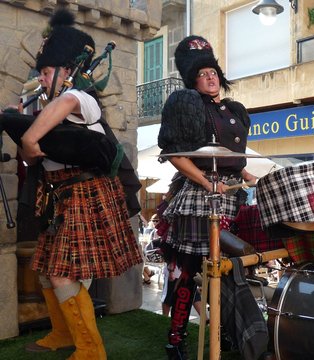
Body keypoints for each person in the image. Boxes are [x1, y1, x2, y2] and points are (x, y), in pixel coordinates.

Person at [20, 9, 143, 359]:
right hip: (60, 197)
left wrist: (28, 132)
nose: (41, 79)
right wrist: (20, 123)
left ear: (66, 70)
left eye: (45, 72)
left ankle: (91, 349)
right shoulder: (47, 107)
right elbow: (32, 158)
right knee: (47, 272)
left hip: (85, 195)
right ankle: (62, 333)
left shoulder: (81, 99)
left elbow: (66, 102)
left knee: (62, 276)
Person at [157, 35, 257, 359]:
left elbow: (232, 156)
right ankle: (175, 339)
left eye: (213, 71)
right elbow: (174, 153)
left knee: (225, 269)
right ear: (193, 80)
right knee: (191, 271)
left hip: (231, 194)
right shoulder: (185, 104)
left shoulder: (232, 110)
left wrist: (247, 176)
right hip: (200, 195)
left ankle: (222, 330)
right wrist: (205, 182)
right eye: (202, 73)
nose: (210, 76)